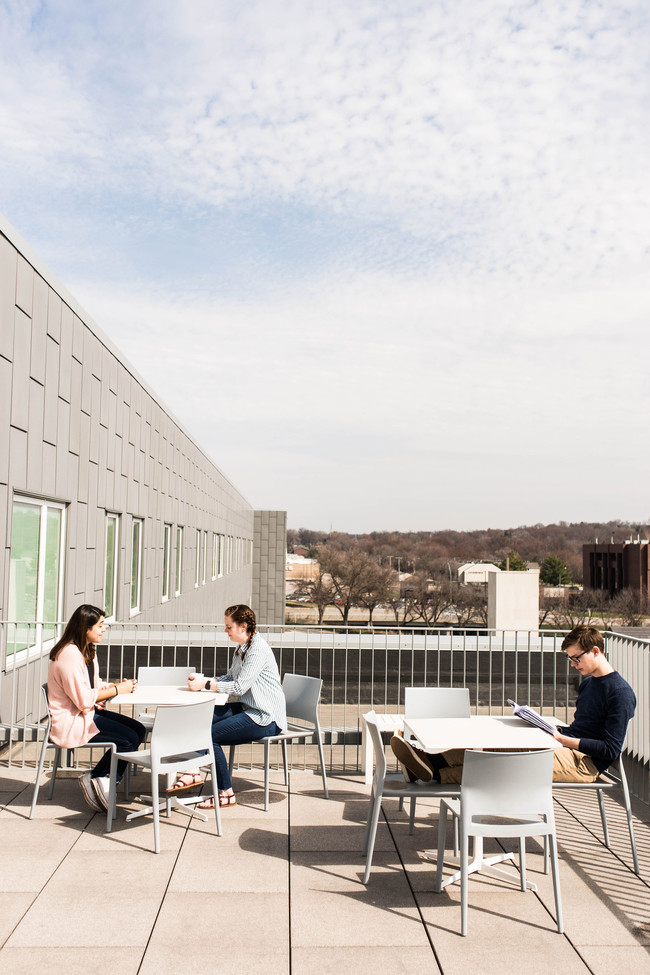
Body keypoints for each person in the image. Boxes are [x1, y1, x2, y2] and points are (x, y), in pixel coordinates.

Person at [391, 624, 636, 785]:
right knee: (497, 745)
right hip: (565, 746)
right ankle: (429, 759)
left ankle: (435, 773)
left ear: (595, 651)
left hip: (585, 763)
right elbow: (582, 727)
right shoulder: (589, 683)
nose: (573, 664)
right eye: (570, 659)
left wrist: (563, 740)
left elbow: (610, 750)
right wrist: (551, 730)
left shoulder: (620, 693)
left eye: (576, 658)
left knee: (503, 764)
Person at [168, 604, 286, 808]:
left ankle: (225, 793)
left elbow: (239, 687)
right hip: (249, 708)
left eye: (228, 627)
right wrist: (206, 680)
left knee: (209, 735)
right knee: (198, 717)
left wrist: (205, 685)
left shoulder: (257, 650)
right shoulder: (242, 647)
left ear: (243, 626)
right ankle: (194, 772)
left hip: (265, 717)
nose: (225, 631)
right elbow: (230, 676)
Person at [47, 604, 146, 811]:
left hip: (86, 713)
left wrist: (112, 687)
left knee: (138, 730)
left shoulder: (87, 649)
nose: (103, 629)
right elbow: (83, 699)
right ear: (86, 628)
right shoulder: (69, 654)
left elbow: (92, 685)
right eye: (100, 625)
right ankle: (101, 780)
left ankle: (97, 778)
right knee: (127, 740)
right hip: (73, 720)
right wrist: (117, 690)